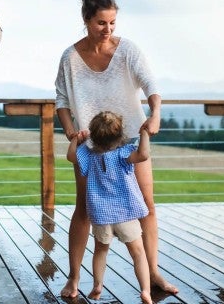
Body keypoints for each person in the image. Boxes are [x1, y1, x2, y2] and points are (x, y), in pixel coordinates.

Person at [55, 0, 179, 298]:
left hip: (132, 143)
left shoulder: (128, 50)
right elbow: (61, 101)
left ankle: (153, 276)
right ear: (86, 19)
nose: (107, 29)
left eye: (112, 23)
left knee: (146, 207)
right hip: (90, 147)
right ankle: (73, 279)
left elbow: (151, 84)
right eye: (101, 23)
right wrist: (72, 132)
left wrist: (155, 113)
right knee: (83, 209)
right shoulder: (70, 58)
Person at [67, 111, 153, 303]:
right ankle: (146, 290)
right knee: (138, 253)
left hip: (101, 216)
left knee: (101, 250)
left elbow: (71, 156)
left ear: (94, 137)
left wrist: (76, 140)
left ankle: (97, 285)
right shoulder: (124, 154)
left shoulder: (88, 156)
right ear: (120, 135)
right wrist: (144, 134)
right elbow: (143, 154)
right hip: (126, 214)